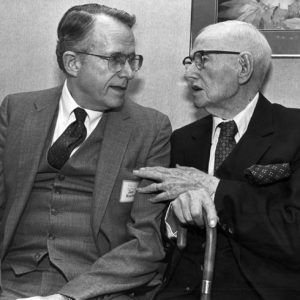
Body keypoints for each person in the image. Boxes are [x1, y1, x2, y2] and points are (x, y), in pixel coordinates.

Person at [0, 3, 171, 300]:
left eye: (132, 60)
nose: (128, 72)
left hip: (99, 288)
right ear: (73, 63)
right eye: (116, 59)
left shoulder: (150, 128)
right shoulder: (17, 111)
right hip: (10, 281)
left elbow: (147, 242)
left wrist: (68, 297)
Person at [134, 20, 300, 299]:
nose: (188, 73)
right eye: (189, 61)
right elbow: (154, 228)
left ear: (243, 67)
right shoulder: (182, 139)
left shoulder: (294, 130)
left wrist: (213, 188)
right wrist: (174, 218)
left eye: (202, 59)